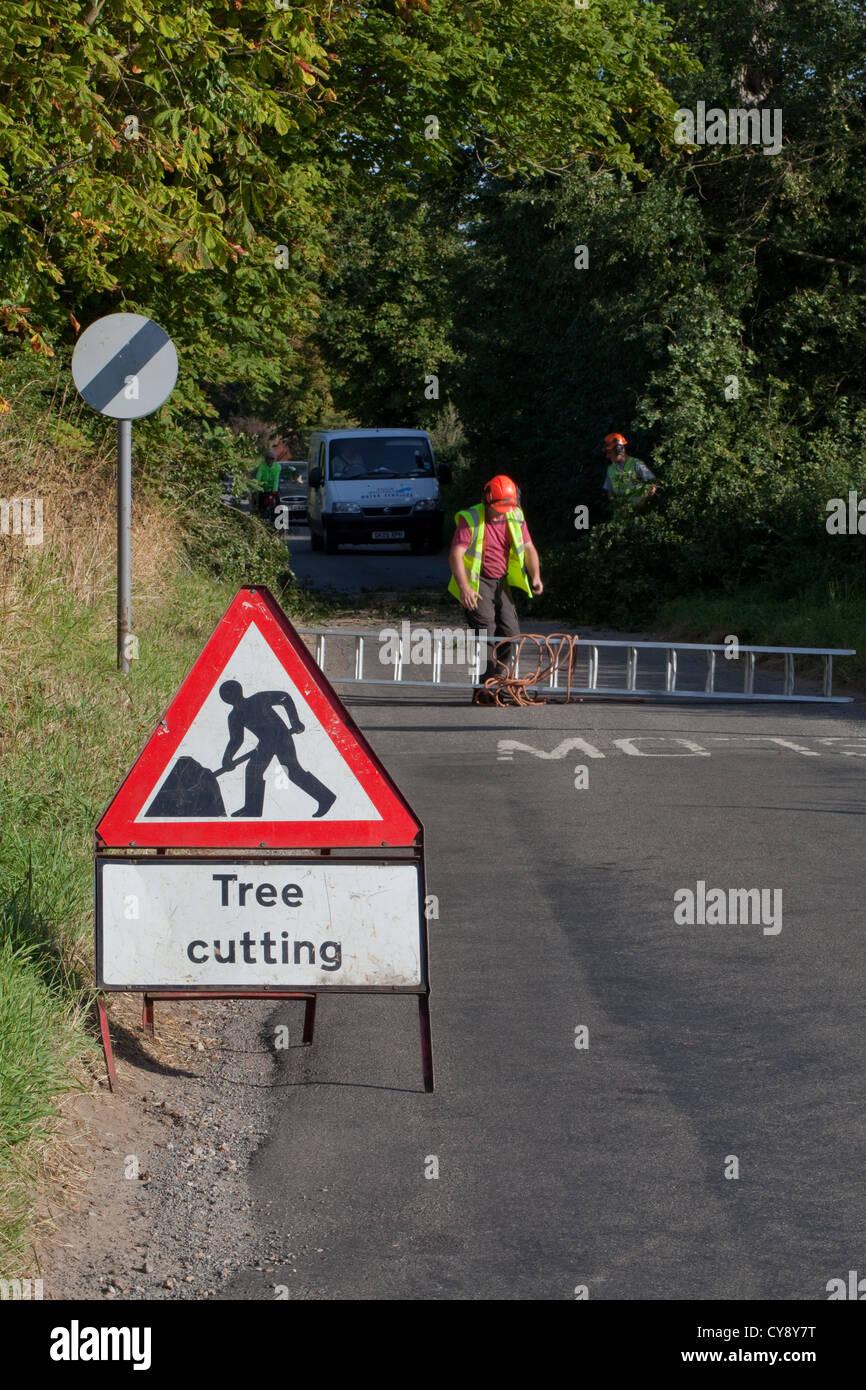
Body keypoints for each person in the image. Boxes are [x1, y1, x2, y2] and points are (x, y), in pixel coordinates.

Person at [448, 474, 543, 704]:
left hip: (501, 581)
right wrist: (465, 588)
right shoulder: (471, 518)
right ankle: (484, 688)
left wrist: (536, 576)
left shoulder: (515, 515)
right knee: (485, 632)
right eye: (499, 507)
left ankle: (499, 683)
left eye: (508, 506)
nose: (503, 512)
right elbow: (455, 554)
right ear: (487, 500)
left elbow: (529, 548)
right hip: (477, 580)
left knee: (510, 633)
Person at [219, 680, 336, 818]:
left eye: (230, 693)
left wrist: (294, 721)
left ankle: (325, 797)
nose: (230, 697)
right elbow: (236, 740)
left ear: (238, 691)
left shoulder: (258, 698)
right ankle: (252, 808)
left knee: (293, 771)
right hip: (266, 742)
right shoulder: (234, 716)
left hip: (281, 736)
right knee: (253, 771)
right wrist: (227, 757)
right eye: (226, 696)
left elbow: (284, 697)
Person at [602, 433, 658, 509]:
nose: (607, 456)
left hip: (640, 513)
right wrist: (618, 508)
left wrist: (641, 503)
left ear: (618, 450)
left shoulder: (636, 464)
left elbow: (653, 484)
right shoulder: (610, 469)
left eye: (609, 452)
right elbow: (610, 492)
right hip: (622, 516)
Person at [254, 449, 282, 521]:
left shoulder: (277, 466)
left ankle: (278, 518)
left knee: (277, 502)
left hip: (273, 488)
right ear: (265, 459)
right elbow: (258, 478)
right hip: (263, 488)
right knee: (260, 503)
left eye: (272, 459)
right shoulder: (262, 466)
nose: (270, 461)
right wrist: (255, 489)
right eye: (268, 458)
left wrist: (274, 491)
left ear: (274, 460)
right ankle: (261, 516)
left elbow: (276, 479)